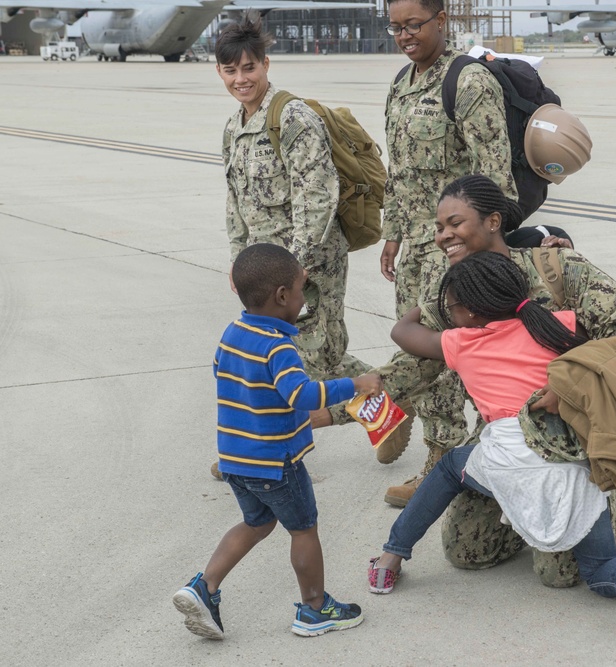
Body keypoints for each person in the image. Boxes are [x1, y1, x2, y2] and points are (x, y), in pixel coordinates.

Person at [318, 175, 616, 590]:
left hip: (579, 439)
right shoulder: (453, 290)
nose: (443, 236)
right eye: (438, 227)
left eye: (455, 223)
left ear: (493, 221)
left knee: (559, 572)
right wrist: (329, 413)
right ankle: (539, 523)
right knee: (467, 550)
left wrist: (567, 389)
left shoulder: (560, 269)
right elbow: (411, 368)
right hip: (507, 439)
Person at [367, 251, 616, 632]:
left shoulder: (464, 342)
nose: (450, 314)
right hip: (577, 466)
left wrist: (420, 310)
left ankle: (392, 557)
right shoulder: (560, 325)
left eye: (451, 307)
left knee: (450, 467)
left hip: (510, 458)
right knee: (598, 568)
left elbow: (403, 334)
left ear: (470, 312)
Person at [211, 14, 398, 479]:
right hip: (262, 271)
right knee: (317, 355)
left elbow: (317, 196)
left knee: (308, 358)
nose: (241, 80)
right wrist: (240, 267)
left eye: (249, 68)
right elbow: (236, 204)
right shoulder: (234, 128)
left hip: (306, 265)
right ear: (220, 72)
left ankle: (272, 450)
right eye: (231, 71)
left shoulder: (292, 117)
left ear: (266, 65)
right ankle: (385, 403)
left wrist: (295, 270)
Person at [172, 244, 384, 639]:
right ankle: (316, 609)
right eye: (302, 288)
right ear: (282, 296)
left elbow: (220, 370)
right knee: (304, 529)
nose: (305, 297)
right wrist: (355, 384)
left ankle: (204, 586)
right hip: (276, 462)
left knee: (257, 522)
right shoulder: (279, 346)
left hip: (236, 458)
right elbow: (300, 395)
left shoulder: (234, 332)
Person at [377, 0, 519, 505]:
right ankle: (417, 430)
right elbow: (398, 172)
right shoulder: (402, 83)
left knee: (445, 359)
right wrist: (392, 233)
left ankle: (441, 460)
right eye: (395, 27)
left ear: (442, 20)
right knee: (415, 347)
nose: (404, 35)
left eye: (414, 24)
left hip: (455, 251)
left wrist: (475, 254)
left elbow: (495, 180)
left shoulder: (469, 83)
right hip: (414, 248)